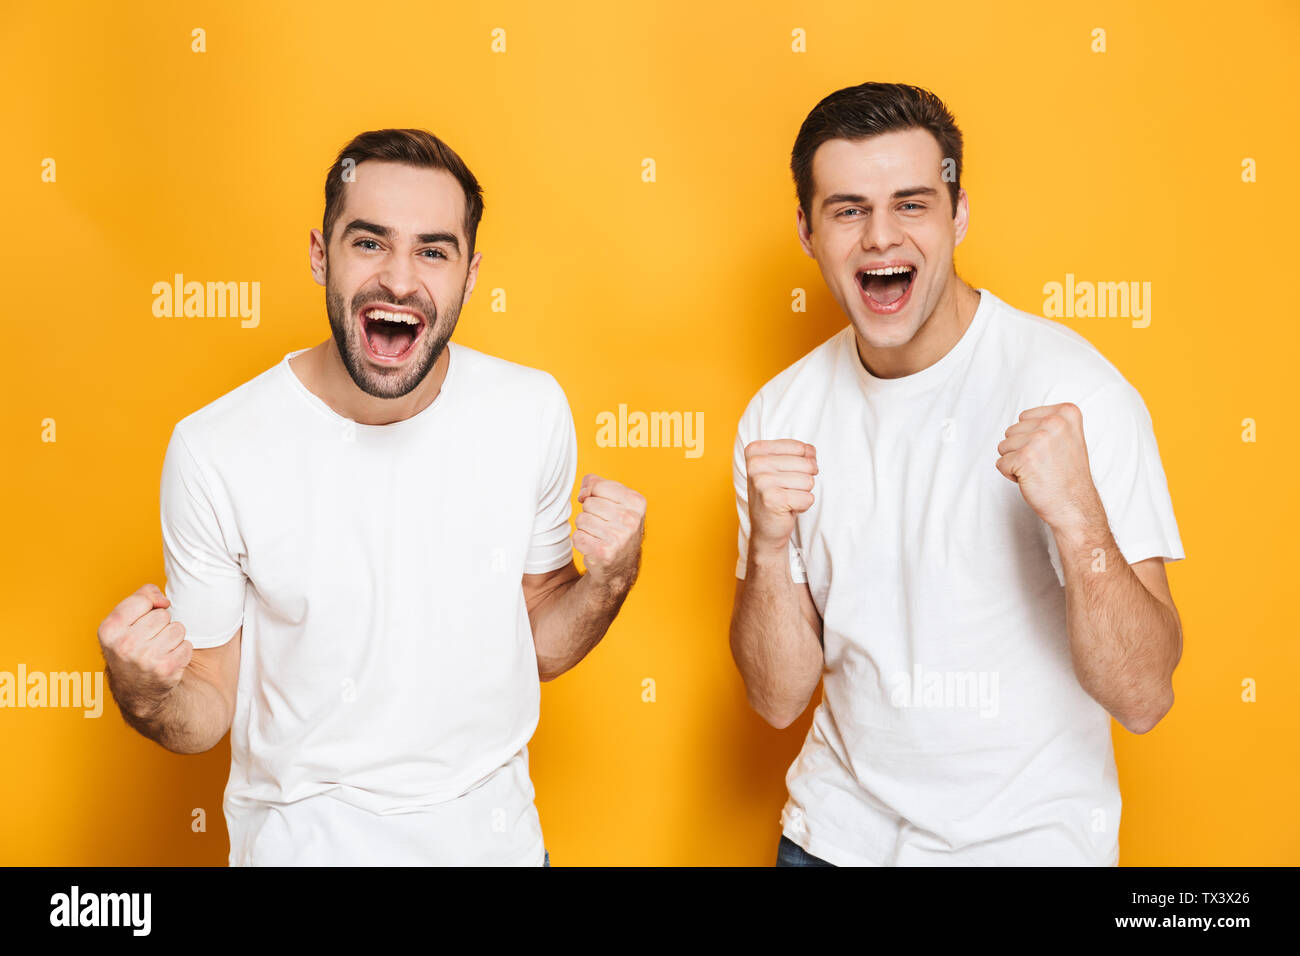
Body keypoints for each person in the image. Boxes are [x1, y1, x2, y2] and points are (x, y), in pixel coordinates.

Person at [96, 128, 646, 866]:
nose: (398, 278)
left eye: (432, 250)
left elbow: (540, 637)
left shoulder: (531, 410)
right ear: (322, 254)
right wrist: (144, 692)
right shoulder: (215, 448)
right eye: (369, 243)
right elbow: (205, 711)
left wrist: (610, 580)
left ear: (470, 274)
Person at [729, 83, 1184, 866]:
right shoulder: (780, 414)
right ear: (806, 229)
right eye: (847, 210)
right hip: (830, 843)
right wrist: (769, 549)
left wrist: (1080, 523)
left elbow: (1144, 697)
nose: (880, 238)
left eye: (911, 204)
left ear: (957, 214)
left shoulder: (1074, 392)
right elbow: (775, 702)